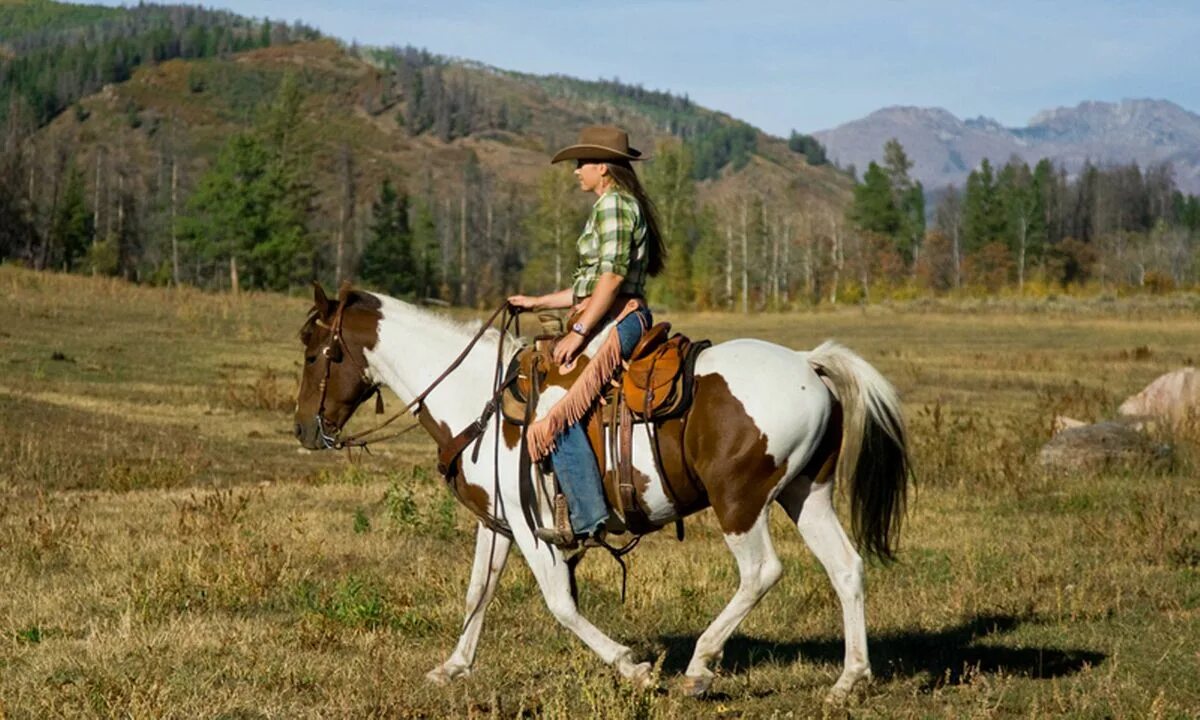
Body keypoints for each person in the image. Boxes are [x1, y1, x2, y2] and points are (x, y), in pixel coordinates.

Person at [508, 126, 666, 547]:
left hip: (619, 320)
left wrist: (577, 332)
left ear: (603, 167)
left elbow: (612, 278)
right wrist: (537, 302)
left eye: (582, 164)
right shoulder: (614, 204)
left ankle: (586, 515)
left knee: (554, 411)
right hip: (610, 314)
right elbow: (590, 285)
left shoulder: (613, 205)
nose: (576, 171)